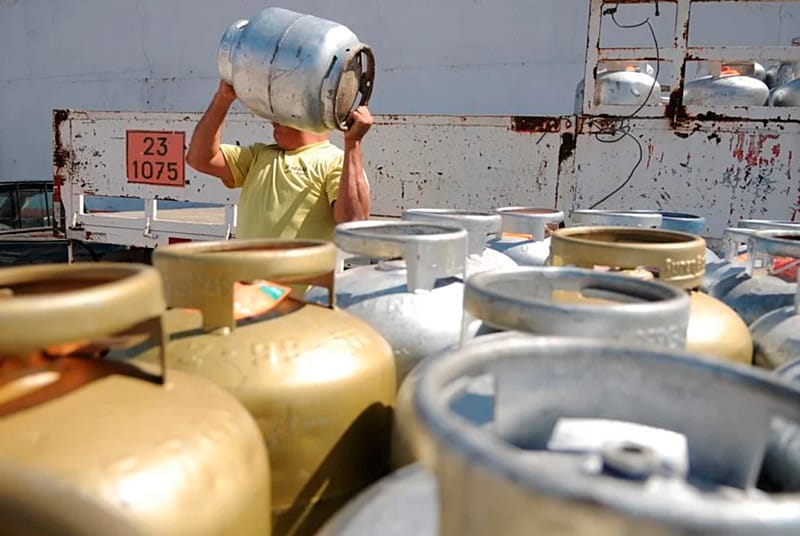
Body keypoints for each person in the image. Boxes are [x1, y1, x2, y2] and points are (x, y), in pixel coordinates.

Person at [186, 80, 373, 241]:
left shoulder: (336, 162)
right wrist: (222, 98)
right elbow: (199, 159)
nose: (273, 119)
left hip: (305, 284)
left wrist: (353, 142)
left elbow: (353, 223)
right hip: (252, 283)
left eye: (283, 110)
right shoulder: (259, 156)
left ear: (309, 114)